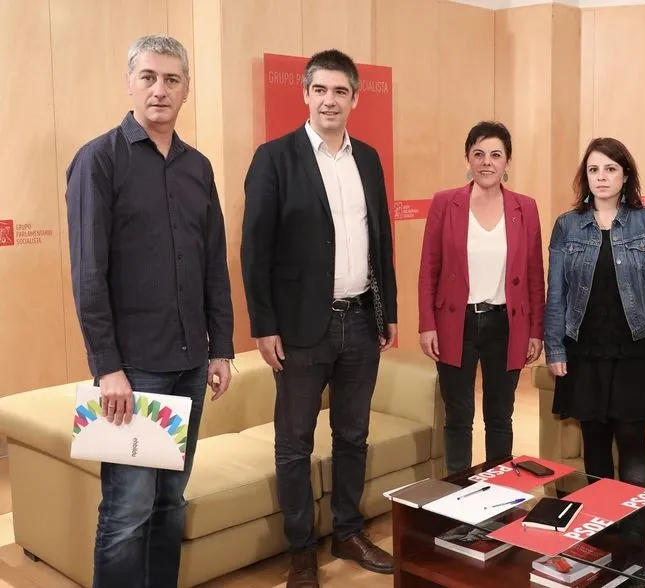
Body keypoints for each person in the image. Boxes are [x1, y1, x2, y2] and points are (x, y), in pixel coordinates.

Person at [64, 34, 234, 588]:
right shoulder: (98, 160)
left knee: (170, 502)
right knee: (126, 512)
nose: (160, 89)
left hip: (190, 363)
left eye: (172, 80)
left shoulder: (198, 167)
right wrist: (107, 367)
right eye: (149, 77)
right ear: (130, 83)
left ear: (187, 90)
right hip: (133, 371)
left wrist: (222, 348)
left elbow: (213, 264)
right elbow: (89, 275)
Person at [241, 49, 397, 587]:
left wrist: (388, 309)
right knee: (295, 443)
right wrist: (263, 324)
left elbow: (381, 239)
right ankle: (302, 551)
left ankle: (348, 532)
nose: (330, 100)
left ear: (355, 98)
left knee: (353, 435)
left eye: (340, 91)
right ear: (305, 94)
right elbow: (255, 249)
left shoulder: (368, 159)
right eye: (320, 90)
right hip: (300, 329)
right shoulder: (274, 158)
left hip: (361, 320)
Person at [544, 137, 645, 526]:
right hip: (584, 349)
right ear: (585, 177)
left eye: (610, 169)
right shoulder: (567, 225)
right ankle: (602, 526)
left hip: (638, 347)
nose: (601, 177)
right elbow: (556, 293)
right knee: (595, 440)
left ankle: (635, 530)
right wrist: (555, 347)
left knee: (633, 438)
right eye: (593, 170)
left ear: (625, 175)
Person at [418, 121, 545, 475]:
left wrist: (536, 331)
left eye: (495, 155)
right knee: (458, 415)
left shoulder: (525, 207)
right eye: (479, 154)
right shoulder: (445, 203)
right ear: (468, 159)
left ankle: (499, 491)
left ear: (507, 162)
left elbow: (535, 275)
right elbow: (429, 268)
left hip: (506, 324)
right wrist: (427, 324)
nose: (487, 162)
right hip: (455, 323)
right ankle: (457, 491)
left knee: (500, 416)